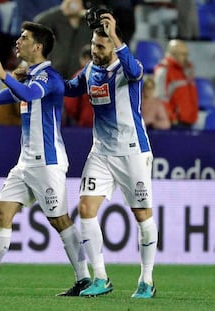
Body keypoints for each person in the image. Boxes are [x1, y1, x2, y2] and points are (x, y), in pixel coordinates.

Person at [0, 21, 91, 297]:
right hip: (25, 163)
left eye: (24, 38)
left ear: (37, 47)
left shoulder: (49, 78)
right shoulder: (28, 77)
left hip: (47, 162)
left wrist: (6, 76)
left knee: (60, 220)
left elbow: (30, 94)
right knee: (2, 212)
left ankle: (85, 279)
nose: (18, 41)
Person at [64, 12, 158, 298]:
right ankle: (101, 278)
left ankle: (146, 280)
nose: (94, 50)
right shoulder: (91, 69)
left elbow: (136, 72)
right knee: (85, 209)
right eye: (94, 44)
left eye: (101, 46)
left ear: (114, 46)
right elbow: (70, 89)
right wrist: (38, 80)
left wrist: (115, 35)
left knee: (142, 216)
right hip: (101, 152)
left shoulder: (129, 69)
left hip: (131, 152)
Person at [33, 0, 92, 79]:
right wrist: (61, 10)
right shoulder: (55, 20)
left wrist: (86, 12)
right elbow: (37, 24)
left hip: (79, 79)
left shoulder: (90, 23)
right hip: (53, 77)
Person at [154, 39, 198, 129]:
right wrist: (172, 118)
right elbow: (160, 97)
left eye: (186, 54)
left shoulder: (187, 70)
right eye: (183, 54)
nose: (186, 57)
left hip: (189, 121)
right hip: (174, 123)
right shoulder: (164, 70)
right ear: (173, 54)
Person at [63, 43, 93, 127]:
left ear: (85, 58)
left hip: (85, 126)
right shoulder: (108, 75)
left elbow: (70, 105)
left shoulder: (80, 77)